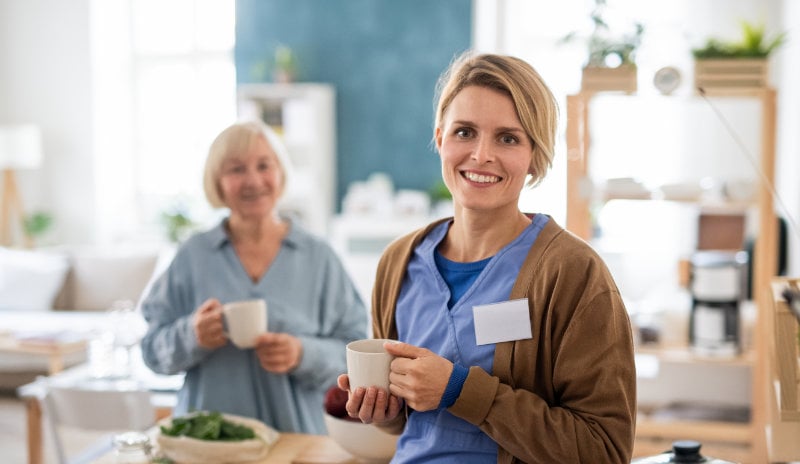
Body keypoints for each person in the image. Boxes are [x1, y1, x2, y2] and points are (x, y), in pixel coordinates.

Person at [337, 52, 636, 462]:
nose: (481, 155)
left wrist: (461, 390)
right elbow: (412, 425)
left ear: (535, 156)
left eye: (508, 138)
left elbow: (604, 450)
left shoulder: (573, 273)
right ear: (440, 137)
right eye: (464, 132)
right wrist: (385, 410)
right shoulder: (398, 263)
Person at [140, 120, 368, 435]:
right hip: (205, 442)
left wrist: (303, 353)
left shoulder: (319, 257)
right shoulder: (193, 255)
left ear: (280, 174)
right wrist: (191, 335)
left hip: (296, 442)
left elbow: (356, 353)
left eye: (264, 165)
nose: (253, 180)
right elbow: (151, 350)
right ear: (217, 182)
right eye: (236, 169)